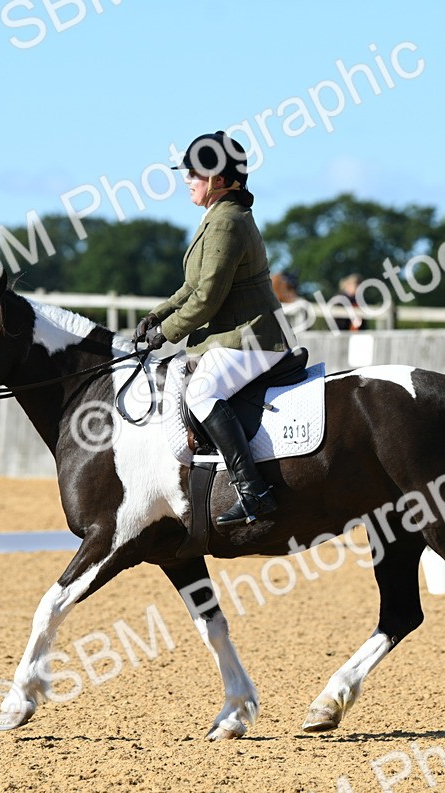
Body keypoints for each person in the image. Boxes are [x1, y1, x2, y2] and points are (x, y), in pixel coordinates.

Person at [135, 131, 289, 526]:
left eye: (194, 173)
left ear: (219, 180)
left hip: (251, 338)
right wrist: (157, 315)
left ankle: (253, 490)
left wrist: (163, 334)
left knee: (203, 392)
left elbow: (206, 300)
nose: (187, 179)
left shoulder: (227, 224)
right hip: (235, 336)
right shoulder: (218, 217)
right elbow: (190, 288)